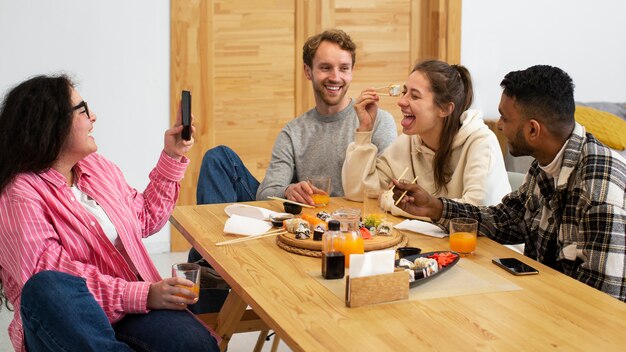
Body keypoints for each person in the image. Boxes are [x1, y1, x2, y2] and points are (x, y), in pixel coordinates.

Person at [0, 75, 219, 351]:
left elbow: (145, 218)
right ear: (50, 124)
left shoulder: (96, 167)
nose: (93, 117)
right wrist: (143, 294)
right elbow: (57, 283)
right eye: (82, 110)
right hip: (70, 319)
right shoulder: (19, 193)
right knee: (47, 286)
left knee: (195, 344)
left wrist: (172, 156)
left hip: (129, 306)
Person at [391, 65, 626, 301]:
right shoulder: (544, 163)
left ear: (533, 129)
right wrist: (435, 207)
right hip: (542, 303)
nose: (500, 125)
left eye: (505, 117)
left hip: (581, 322)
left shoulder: (599, 185)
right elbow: (505, 220)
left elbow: (601, 299)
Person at [196, 28, 397, 206]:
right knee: (218, 158)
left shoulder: (378, 121)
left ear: (352, 71)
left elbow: (386, 190)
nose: (335, 77)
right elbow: (265, 194)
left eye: (344, 68)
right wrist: (288, 191)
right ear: (308, 71)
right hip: (305, 226)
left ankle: (204, 249)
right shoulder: (293, 132)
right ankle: (208, 246)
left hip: (356, 227)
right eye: (325, 67)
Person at [342, 60, 510, 218]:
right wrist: (364, 130)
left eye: (414, 96)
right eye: (404, 92)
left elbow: (475, 213)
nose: (401, 102)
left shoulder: (481, 142)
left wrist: (391, 202)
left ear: (444, 109)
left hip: (491, 247)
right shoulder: (408, 141)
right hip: (435, 244)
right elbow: (360, 192)